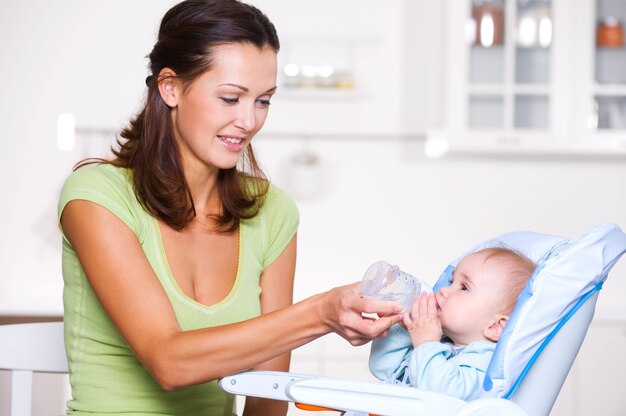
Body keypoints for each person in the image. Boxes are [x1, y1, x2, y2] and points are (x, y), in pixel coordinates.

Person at [57, 1, 403, 415]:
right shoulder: (97, 197)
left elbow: (269, 395)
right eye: (230, 97)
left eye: (263, 101)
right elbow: (169, 361)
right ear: (170, 87)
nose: (249, 121)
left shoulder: (272, 211)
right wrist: (322, 313)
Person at [368, 247, 536, 401]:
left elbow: (441, 397)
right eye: (451, 281)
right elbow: (382, 367)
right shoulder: (440, 341)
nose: (443, 290)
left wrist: (425, 342)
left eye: (464, 287)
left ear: (495, 327)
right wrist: (404, 328)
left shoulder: (486, 366)